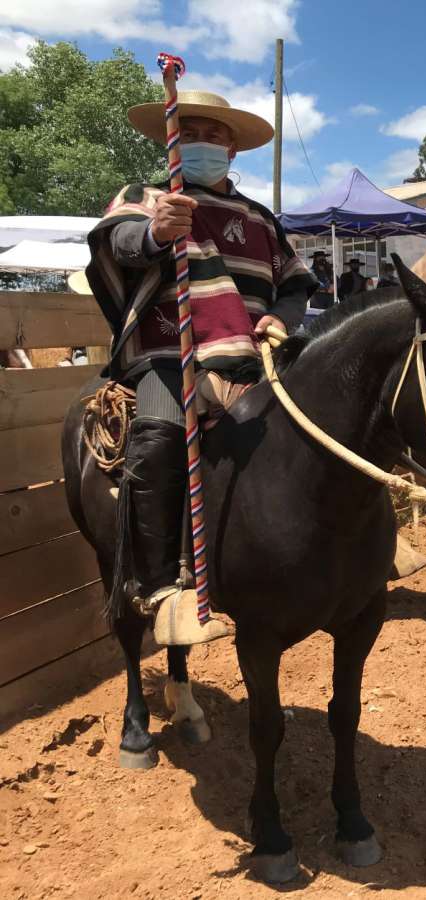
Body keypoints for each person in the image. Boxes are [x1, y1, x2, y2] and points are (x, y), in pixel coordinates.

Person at [86, 88, 316, 644]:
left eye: (215, 136)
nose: (203, 144)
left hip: (258, 358)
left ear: (233, 151)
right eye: (191, 133)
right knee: (160, 433)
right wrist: (155, 232)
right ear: (172, 141)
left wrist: (281, 319)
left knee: (329, 411)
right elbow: (117, 241)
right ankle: (162, 584)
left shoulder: (260, 217)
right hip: (172, 354)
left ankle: (357, 542)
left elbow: (295, 283)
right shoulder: (147, 196)